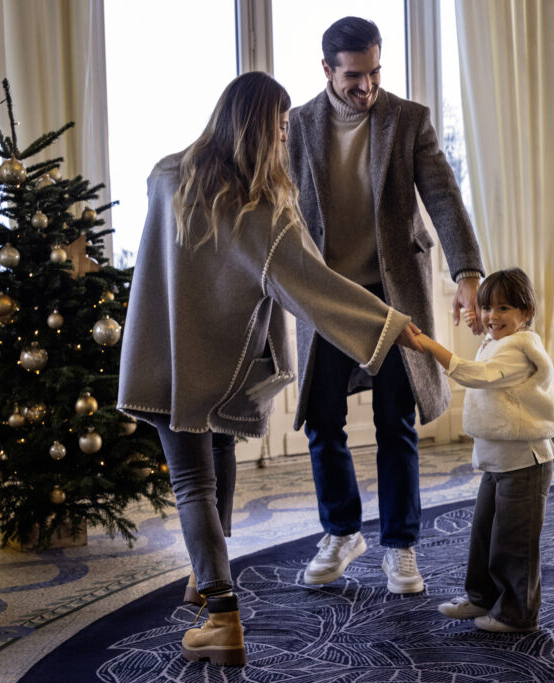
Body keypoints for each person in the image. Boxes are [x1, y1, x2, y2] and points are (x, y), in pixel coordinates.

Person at [118, 71, 420, 667]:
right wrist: (388, 323)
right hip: (228, 364)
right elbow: (316, 288)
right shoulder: (263, 208)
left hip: (166, 356)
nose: (285, 137)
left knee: (194, 482)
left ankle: (213, 590)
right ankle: (218, 605)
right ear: (256, 128)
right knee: (206, 471)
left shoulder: (165, 178)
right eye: (280, 127)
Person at [286, 15, 484, 595]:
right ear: (327, 70)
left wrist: (467, 273)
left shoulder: (409, 119)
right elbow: (275, 205)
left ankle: (399, 544)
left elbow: (443, 197)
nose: (366, 85)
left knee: (395, 420)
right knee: (323, 419)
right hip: (327, 296)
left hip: (392, 294)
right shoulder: (297, 125)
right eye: (353, 75)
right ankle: (341, 531)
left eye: (374, 72)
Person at [412, 268, 554, 633]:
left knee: (513, 543)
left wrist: (429, 345)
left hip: (524, 463)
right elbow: (488, 344)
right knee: (483, 535)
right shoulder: (497, 342)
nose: (493, 316)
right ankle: (482, 597)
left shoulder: (520, 349)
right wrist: (481, 319)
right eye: (487, 308)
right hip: (497, 461)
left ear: (526, 312)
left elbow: (477, 375)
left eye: (504, 308)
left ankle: (517, 614)